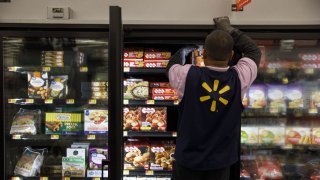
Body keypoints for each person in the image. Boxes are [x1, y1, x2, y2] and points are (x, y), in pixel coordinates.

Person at [166, 16, 261, 180]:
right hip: (220, 166)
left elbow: (171, 65)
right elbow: (254, 51)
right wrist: (228, 29)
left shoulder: (187, 75)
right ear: (231, 55)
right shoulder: (240, 78)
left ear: (203, 54)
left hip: (186, 163)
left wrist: (186, 48)